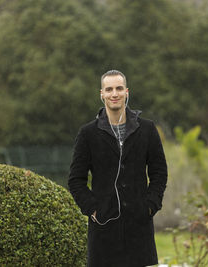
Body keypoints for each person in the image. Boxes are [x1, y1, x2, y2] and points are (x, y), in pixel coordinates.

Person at [68, 70, 168, 267]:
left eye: (119, 88)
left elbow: (159, 173)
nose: (114, 93)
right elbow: (75, 180)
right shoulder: (88, 133)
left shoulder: (147, 129)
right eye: (109, 89)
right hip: (103, 229)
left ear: (127, 92)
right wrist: (93, 209)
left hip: (139, 228)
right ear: (102, 94)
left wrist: (150, 205)